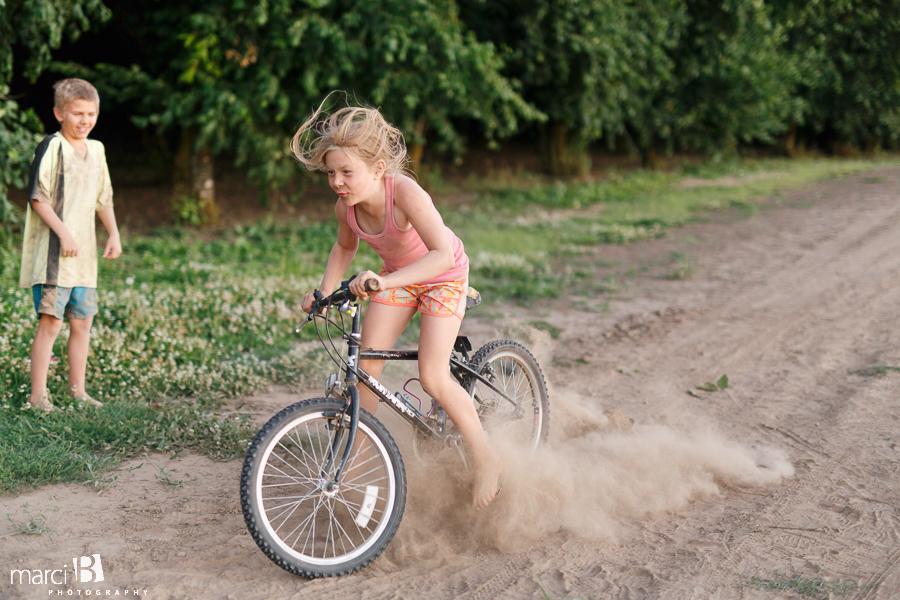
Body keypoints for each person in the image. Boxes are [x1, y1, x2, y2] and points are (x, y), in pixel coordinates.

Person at [293, 100, 502, 510]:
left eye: (346, 172)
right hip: (397, 278)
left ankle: (486, 457)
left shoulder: (405, 193)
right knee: (364, 366)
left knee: (433, 377)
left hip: (442, 276)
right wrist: (322, 294)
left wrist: (385, 280)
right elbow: (343, 247)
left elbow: (442, 254)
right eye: (331, 173)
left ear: (378, 167)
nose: (337, 181)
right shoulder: (346, 207)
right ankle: (353, 464)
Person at [19, 78, 122, 411]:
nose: (85, 121)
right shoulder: (52, 147)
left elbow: (103, 199)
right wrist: (63, 232)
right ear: (59, 113)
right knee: (51, 322)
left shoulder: (98, 149)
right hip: (54, 255)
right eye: (77, 113)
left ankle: (78, 393)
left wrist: (114, 233)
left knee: (82, 323)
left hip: (85, 258)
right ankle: (38, 398)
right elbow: (38, 197)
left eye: (91, 113)